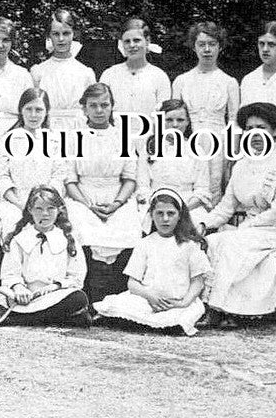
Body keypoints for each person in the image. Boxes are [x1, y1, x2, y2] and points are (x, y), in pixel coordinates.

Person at [200, 102, 276, 328]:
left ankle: (233, 310)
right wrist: (204, 225)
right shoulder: (241, 165)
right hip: (249, 231)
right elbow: (226, 207)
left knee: (232, 241)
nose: (254, 134)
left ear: (274, 131)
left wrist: (243, 229)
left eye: (261, 127)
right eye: (249, 128)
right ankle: (215, 307)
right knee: (213, 240)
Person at [94, 188, 209, 336]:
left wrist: (184, 302)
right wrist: (150, 297)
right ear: (151, 215)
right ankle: (145, 322)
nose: (165, 219)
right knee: (122, 305)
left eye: (171, 213)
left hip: (178, 301)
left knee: (186, 314)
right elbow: (132, 283)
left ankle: (162, 324)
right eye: (159, 213)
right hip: (148, 299)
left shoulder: (189, 246)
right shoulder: (145, 243)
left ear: (180, 216)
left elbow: (197, 281)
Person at [65, 82, 141, 303]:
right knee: (81, 226)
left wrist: (116, 204)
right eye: (93, 105)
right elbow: (70, 180)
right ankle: (92, 296)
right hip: (82, 197)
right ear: (84, 109)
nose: (99, 111)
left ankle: (116, 296)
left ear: (112, 107)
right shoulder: (73, 137)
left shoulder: (123, 136)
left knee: (128, 226)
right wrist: (88, 205)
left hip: (117, 197)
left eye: (104, 105)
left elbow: (129, 178)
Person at [0, 186, 91, 327]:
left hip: (54, 296)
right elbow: (9, 273)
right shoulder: (19, 239)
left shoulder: (68, 239)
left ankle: (24, 319)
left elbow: (77, 276)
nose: (45, 214)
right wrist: (19, 288)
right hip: (24, 296)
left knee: (78, 298)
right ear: (30, 210)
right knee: (1, 295)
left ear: (59, 209)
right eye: (39, 209)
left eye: (50, 209)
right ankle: (48, 318)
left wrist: (56, 286)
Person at [171, 21, 239, 199]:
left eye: (212, 44)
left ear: (220, 47)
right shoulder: (181, 81)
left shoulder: (229, 82)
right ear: (194, 47)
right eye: (202, 44)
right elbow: (173, 117)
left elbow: (233, 119)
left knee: (215, 189)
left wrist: (232, 153)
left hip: (218, 142)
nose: (207, 49)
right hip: (187, 141)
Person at [0, 88, 67, 231]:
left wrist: (44, 202)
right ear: (21, 110)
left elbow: (58, 176)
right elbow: (1, 177)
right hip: (15, 202)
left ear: (46, 112)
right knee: (12, 226)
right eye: (28, 109)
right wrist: (21, 204)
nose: (33, 115)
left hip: (48, 202)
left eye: (39, 110)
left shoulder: (54, 140)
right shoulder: (8, 139)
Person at [137, 99, 214, 228]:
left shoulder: (197, 150)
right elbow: (143, 186)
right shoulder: (149, 148)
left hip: (188, 206)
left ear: (188, 122)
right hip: (156, 204)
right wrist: (159, 208)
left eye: (180, 120)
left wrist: (181, 210)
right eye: (169, 120)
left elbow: (202, 189)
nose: (175, 125)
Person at [30, 8, 96, 133]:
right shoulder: (39, 72)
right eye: (56, 34)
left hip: (78, 130)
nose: (61, 39)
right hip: (49, 130)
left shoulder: (85, 73)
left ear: (73, 34)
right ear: (49, 36)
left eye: (66, 33)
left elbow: (92, 109)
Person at [98, 17, 171, 129]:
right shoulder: (109, 74)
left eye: (136, 40)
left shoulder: (159, 76)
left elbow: (164, 116)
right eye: (127, 41)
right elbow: (100, 109)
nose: (132, 45)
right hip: (115, 138)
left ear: (147, 41)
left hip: (148, 138)